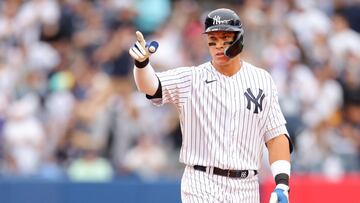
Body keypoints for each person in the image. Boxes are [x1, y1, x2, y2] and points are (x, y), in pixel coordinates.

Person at [129, 8, 292, 203]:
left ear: (239, 39)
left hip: (246, 185)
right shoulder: (192, 78)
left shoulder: (262, 79)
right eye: (213, 39)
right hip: (202, 182)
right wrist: (142, 64)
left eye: (225, 38)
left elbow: (276, 135)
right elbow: (151, 86)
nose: (218, 45)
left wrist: (282, 183)